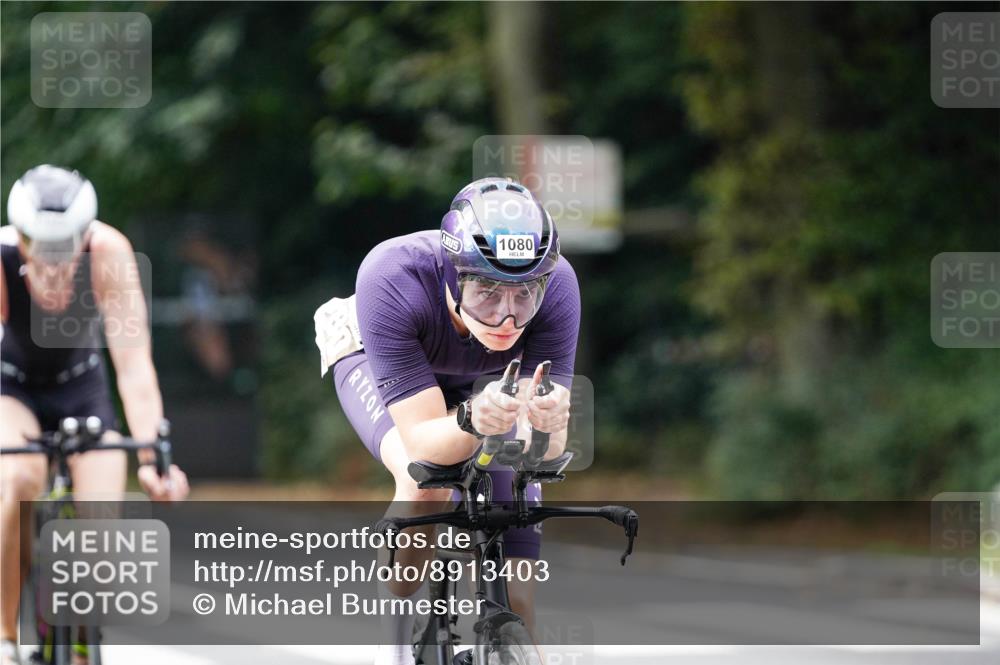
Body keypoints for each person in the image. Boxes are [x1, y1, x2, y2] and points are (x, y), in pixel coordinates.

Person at [316, 177, 579, 665]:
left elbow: (542, 448)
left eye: (524, 296)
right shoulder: (392, 275)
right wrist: (472, 419)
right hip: (374, 358)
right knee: (426, 484)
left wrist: (543, 424)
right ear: (454, 276)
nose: (506, 318)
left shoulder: (558, 282)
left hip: (481, 382)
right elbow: (422, 442)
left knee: (517, 504)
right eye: (486, 293)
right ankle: (392, 644)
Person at [0, 165, 189, 665]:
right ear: (20, 238)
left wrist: (153, 457)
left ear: (85, 236)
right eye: (42, 252)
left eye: (67, 251)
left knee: (99, 526)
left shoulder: (109, 253)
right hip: (11, 387)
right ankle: (3, 636)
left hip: (81, 390)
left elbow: (132, 365)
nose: (55, 268)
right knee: (16, 476)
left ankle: (78, 645)